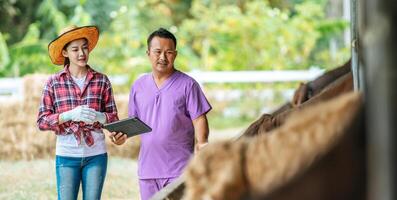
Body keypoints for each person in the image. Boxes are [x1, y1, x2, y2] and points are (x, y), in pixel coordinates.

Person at [115, 27, 212, 200]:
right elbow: (134, 122)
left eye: (168, 52)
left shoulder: (188, 85)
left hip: (180, 169)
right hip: (148, 170)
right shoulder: (138, 86)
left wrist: (203, 143)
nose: (162, 57)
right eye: (157, 51)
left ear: (175, 54)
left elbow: (199, 119)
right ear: (148, 53)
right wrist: (122, 136)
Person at [37, 25, 120, 200]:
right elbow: (42, 121)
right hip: (66, 156)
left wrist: (100, 117)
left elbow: (114, 119)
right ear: (65, 53)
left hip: (96, 155)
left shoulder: (102, 80)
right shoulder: (53, 82)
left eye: (84, 47)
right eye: (75, 49)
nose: (82, 53)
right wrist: (68, 115)